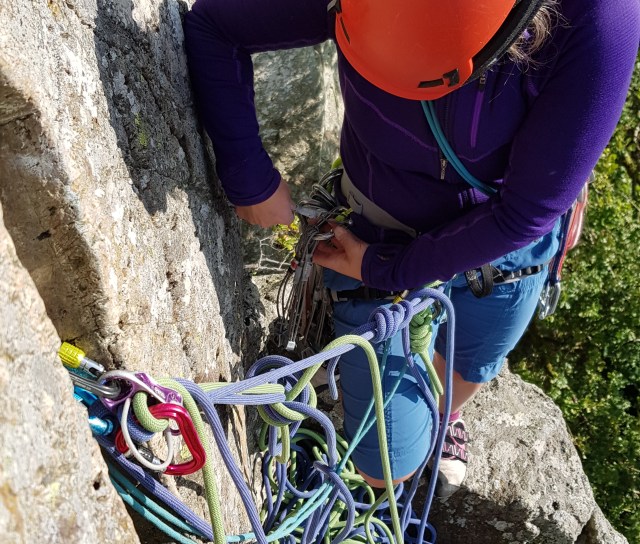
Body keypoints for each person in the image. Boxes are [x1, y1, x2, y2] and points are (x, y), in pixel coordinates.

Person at [183, 0, 640, 495]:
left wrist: (388, 269)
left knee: (467, 369)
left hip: (506, 247)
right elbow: (216, 24)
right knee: (386, 468)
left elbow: (524, 212)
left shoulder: (599, 15)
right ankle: (400, 407)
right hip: (381, 228)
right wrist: (248, 176)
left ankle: (445, 414)